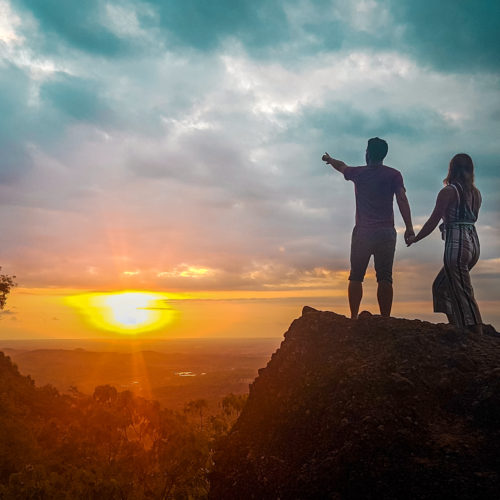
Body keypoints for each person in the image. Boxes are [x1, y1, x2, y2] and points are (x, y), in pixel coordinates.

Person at [322, 137, 414, 319]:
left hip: (363, 232)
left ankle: (354, 317)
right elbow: (402, 199)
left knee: (356, 276)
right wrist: (409, 227)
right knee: (385, 277)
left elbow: (341, 166)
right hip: (386, 232)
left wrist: (330, 160)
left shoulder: (358, 173)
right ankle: (385, 319)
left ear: (368, 154)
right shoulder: (394, 175)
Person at [407, 153, 482, 334]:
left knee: (463, 290)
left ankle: (474, 330)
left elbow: (432, 221)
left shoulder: (448, 192)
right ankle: (457, 325)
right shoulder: (476, 193)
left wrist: (415, 238)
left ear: (451, 169)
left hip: (456, 245)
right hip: (474, 244)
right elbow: (471, 218)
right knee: (441, 287)